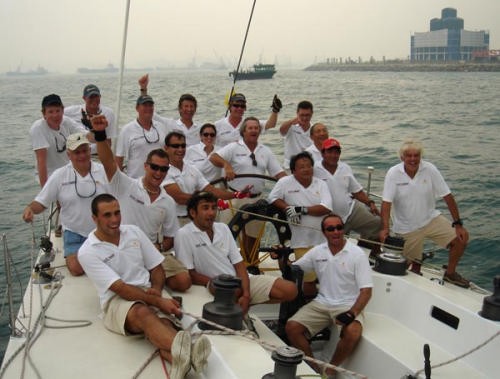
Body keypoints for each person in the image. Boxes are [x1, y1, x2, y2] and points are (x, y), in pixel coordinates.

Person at [78, 194, 211, 379]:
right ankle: (193, 350)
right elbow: (121, 288)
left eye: (117, 213)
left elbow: (156, 267)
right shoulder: (87, 251)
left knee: (164, 327)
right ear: (94, 218)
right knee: (141, 312)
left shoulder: (133, 232)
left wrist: (157, 288)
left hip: (149, 291)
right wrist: (158, 301)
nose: (114, 219)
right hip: (117, 301)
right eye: (107, 215)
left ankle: (182, 362)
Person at [91, 115, 191, 292]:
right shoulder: (126, 186)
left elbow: (170, 237)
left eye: (164, 169)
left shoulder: (167, 201)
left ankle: (150, 276)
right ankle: (146, 279)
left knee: (183, 281)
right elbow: (108, 162)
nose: (158, 173)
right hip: (125, 249)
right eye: (154, 167)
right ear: (146, 166)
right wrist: (100, 134)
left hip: (151, 252)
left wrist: (159, 247)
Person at [174, 191, 297, 314]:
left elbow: (239, 264)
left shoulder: (223, 228)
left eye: (214, 208)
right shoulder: (183, 234)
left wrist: (246, 294)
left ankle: (241, 305)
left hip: (238, 281)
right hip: (211, 284)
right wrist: (219, 283)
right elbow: (190, 273)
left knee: (290, 290)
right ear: (193, 213)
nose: (211, 213)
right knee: (234, 291)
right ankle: (238, 311)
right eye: (205, 208)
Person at [286, 214, 373, 377]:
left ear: (343, 229)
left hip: (347, 304)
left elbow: (366, 291)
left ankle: (331, 369)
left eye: (339, 227)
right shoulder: (317, 252)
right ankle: (315, 367)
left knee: (353, 331)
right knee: (292, 327)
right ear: (324, 232)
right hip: (321, 302)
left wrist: (352, 313)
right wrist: (281, 257)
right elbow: (294, 269)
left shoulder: (357, 255)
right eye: (331, 229)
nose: (336, 232)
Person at [379, 139, 470, 287]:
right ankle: (414, 264)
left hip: (430, 219)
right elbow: (386, 203)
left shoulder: (430, 169)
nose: (413, 159)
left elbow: (447, 196)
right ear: (402, 157)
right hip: (407, 227)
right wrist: (385, 228)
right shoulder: (393, 173)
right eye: (409, 155)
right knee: (403, 268)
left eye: (416, 155)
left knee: (461, 239)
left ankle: (450, 274)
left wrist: (458, 224)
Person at [22, 132, 109, 276]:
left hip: (102, 231)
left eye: (84, 151)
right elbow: (42, 202)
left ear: (90, 150)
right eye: (77, 152)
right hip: (74, 233)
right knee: (76, 269)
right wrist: (30, 208)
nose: (82, 156)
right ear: (69, 155)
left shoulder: (103, 171)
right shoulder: (60, 175)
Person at [210, 116, 287, 256]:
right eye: (250, 128)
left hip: (256, 200)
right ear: (243, 131)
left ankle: (251, 266)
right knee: (226, 235)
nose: (254, 130)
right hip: (234, 198)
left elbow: (279, 173)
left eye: (256, 128)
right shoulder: (234, 147)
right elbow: (213, 157)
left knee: (252, 239)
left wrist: (293, 184)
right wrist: (226, 165)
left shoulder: (265, 151)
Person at [268, 151, 332, 298]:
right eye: (301, 167)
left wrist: (300, 210)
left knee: (325, 277)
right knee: (308, 280)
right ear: (293, 170)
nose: (306, 169)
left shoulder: (321, 184)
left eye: (309, 166)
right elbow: (272, 198)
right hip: (301, 241)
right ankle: (309, 303)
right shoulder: (285, 182)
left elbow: (327, 208)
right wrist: (287, 209)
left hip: (323, 240)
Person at [162, 131, 250, 224]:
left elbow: (212, 190)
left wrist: (236, 195)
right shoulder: (161, 170)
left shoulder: (192, 168)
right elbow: (180, 198)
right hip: (173, 221)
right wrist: (213, 202)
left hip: (194, 220)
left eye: (183, 146)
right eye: (175, 146)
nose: (180, 149)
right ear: (166, 148)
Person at [314, 138, 381, 254]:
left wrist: (370, 203)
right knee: (330, 250)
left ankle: (368, 252)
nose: (334, 155)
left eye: (337, 152)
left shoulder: (345, 168)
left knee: (378, 223)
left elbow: (357, 191)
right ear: (322, 153)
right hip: (327, 218)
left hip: (350, 211)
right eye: (330, 152)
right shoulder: (314, 169)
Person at [30, 94, 86, 187]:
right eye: (50, 112)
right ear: (44, 114)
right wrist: (45, 191)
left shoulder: (66, 122)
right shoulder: (38, 128)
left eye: (58, 111)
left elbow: (87, 136)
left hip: (68, 171)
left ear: (63, 110)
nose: (55, 115)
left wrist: (98, 131)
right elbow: (41, 161)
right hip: (49, 175)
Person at [115, 95, 171, 178]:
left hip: (159, 178)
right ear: (137, 108)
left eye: (150, 105)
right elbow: (119, 158)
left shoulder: (162, 127)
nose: (148, 108)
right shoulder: (126, 130)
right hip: (135, 180)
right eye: (145, 105)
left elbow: (168, 152)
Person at [138, 74, 201, 146]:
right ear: (179, 108)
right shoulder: (170, 124)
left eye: (191, 106)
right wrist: (143, 89)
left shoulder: (200, 128)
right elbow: (150, 114)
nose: (189, 109)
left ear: (195, 109)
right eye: (186, 106)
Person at [214, 93, 282, 146]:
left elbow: (271, 124)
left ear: (245, 108)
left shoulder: (250, 124)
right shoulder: (217, 125)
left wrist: (275, 110)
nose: (239, 108)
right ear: (229, 107)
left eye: (242, 106)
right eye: (236, 105)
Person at [64, 84, 116, 153]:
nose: (94, 99)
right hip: (78, 154)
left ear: (100, 96)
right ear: (84, 98)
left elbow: (109, 142)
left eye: (96, 96)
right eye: (91, 97)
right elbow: (56, 114)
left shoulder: (109, 113)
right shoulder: (71, 111)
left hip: (98, 154)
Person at [279, 100, 314, 170]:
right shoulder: (290, 126)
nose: (304, 118)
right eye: (302, 115)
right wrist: (291, 122)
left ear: (312, 114)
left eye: (307, 115)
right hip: (290, 167)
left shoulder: (314, 129)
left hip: (308, 167)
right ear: (297, 113)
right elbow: (281, 130)